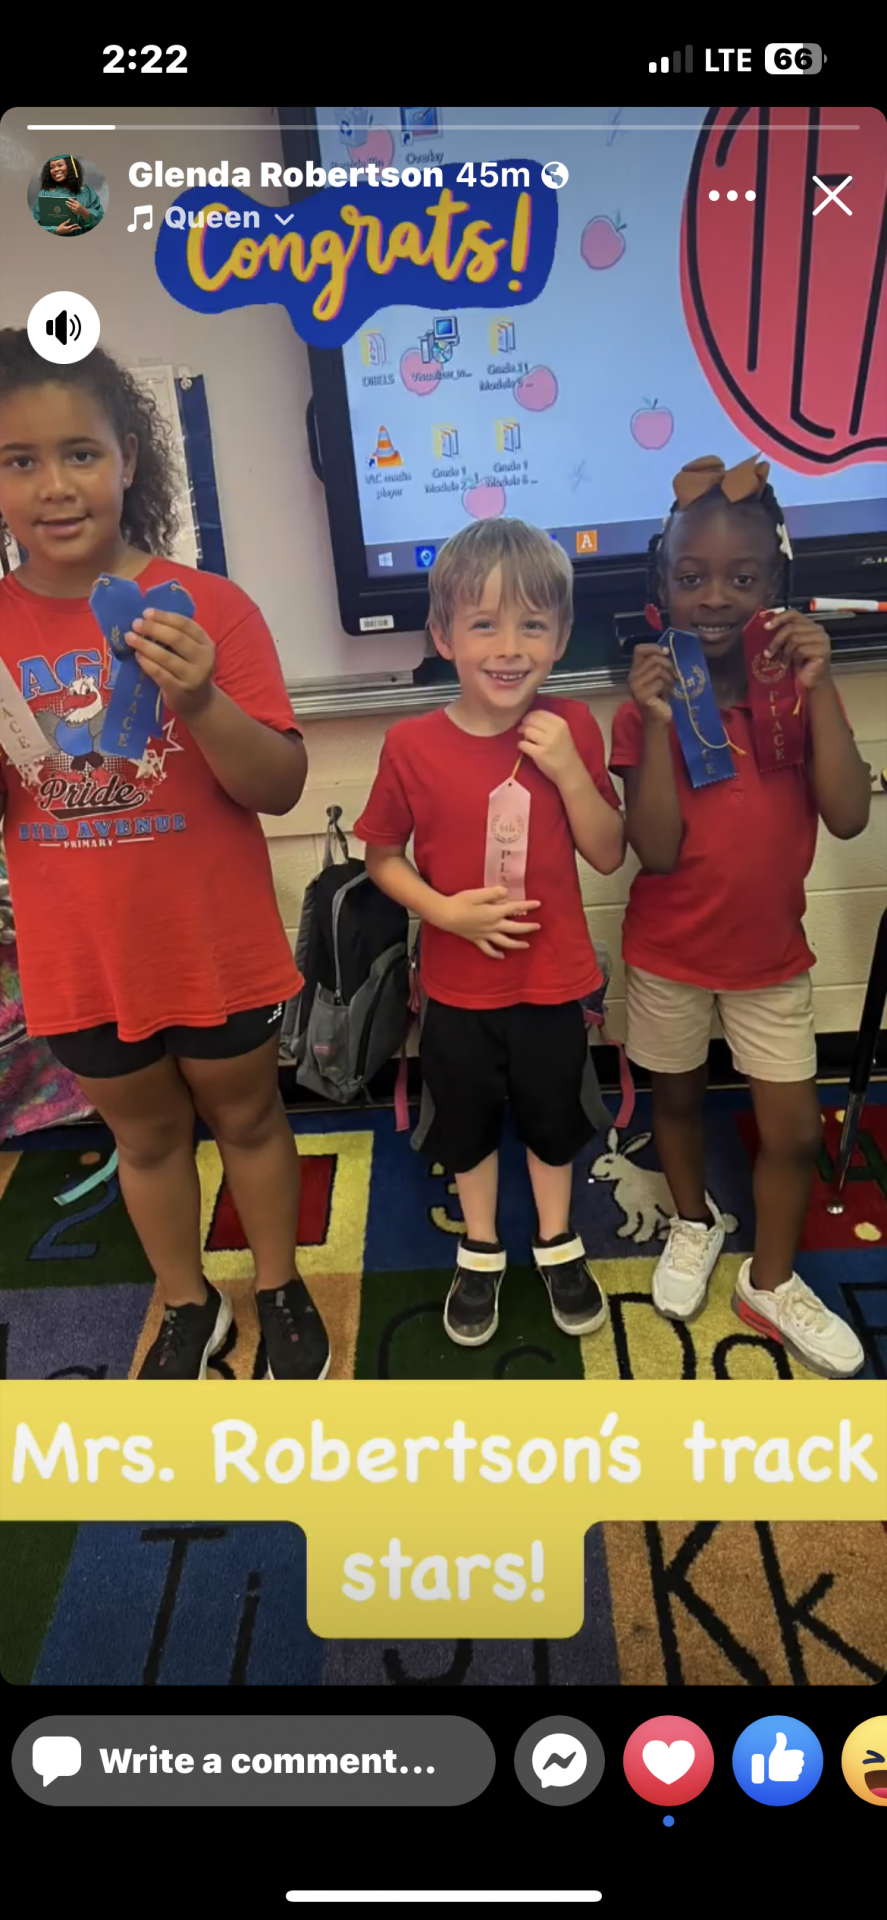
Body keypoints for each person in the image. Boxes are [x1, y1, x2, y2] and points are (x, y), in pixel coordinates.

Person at [0, 329, 329, 1382]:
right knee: (143, 1143)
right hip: (82, 959)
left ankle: (278, 1284)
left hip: (212, 946)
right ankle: (189, 1301)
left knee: (249, 1118)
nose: (55, 486)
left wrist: (200, 698)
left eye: (80, 453)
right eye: (19, 460)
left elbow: (277, 785)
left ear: (129, 458)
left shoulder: (210, 608)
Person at [609, 453, 871, 1378]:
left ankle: (770, 1280)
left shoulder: (794, 695)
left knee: (794, 1131)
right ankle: (692, 1220)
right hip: (668, 951)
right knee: (677, 1098)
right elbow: (656, 849)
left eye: (742, 578)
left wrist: (822, 685)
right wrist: (651, 724)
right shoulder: (644, 709)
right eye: (690, 578)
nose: (714, 597)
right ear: (661, 588)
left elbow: (848, 815)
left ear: (777, 587)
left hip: (772, 958)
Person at [354, 519, 625, 1347]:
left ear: (561, 636)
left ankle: (556, 1241)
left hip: (552, 983)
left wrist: (568, 770)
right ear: (443, 636)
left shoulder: (572, 728)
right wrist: (442, 912)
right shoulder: (410, 744)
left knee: (553, 1116)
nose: (509, 648)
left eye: (532, 625)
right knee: (466, 1123)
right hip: (457, 990)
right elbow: (381, 857)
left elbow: (607, 853)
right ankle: (479, 1247)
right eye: (483, 624)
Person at [32, 156, 104, 236]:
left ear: (70, 167)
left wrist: (85, 212)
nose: (55, 169)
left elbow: (101, 219)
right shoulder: (45, 193)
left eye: (60, 165)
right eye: (52, 167)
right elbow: (34, 223)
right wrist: (55, 230)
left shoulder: (87, 191)